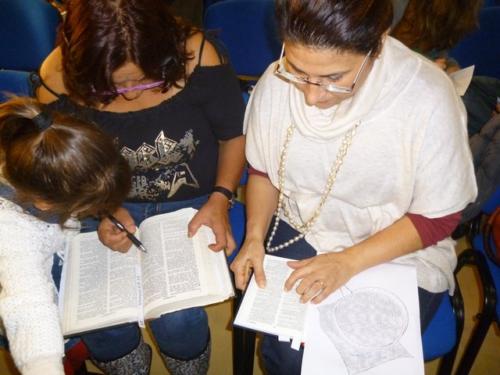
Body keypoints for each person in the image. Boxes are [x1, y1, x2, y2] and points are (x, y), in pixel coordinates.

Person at [230, 0, 477, 373]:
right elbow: (263, 171)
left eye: (334, 78)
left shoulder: (426, 96)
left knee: (350, 356)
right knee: (288, 354)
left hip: (398, 245)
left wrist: (347, 262)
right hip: (302, 226)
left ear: (377, 44)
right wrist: (253, 236)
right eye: (297, 70)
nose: (312, 95)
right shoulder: (276, 81)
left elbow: (437, 219)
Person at [33, 0, 246, 373]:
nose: (131, 92)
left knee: (178, 318)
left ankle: (188, 366)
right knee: (99, 317)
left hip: (194, 199)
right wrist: (101, 208)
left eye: (145, 78)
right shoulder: (57, 77)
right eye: (111, 86)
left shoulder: (196, 56)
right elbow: (70, 166)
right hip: (103, 201)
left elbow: (233, 136)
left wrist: (221, 196)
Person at [0, 97, 131, 375]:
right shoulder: (12, 234)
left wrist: (108, 212)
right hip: (18, 288)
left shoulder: (41, 145)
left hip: (52, 255)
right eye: (88, 208)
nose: (91, 212)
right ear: (46, 205)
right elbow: (29, 308)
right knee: (69, 345)